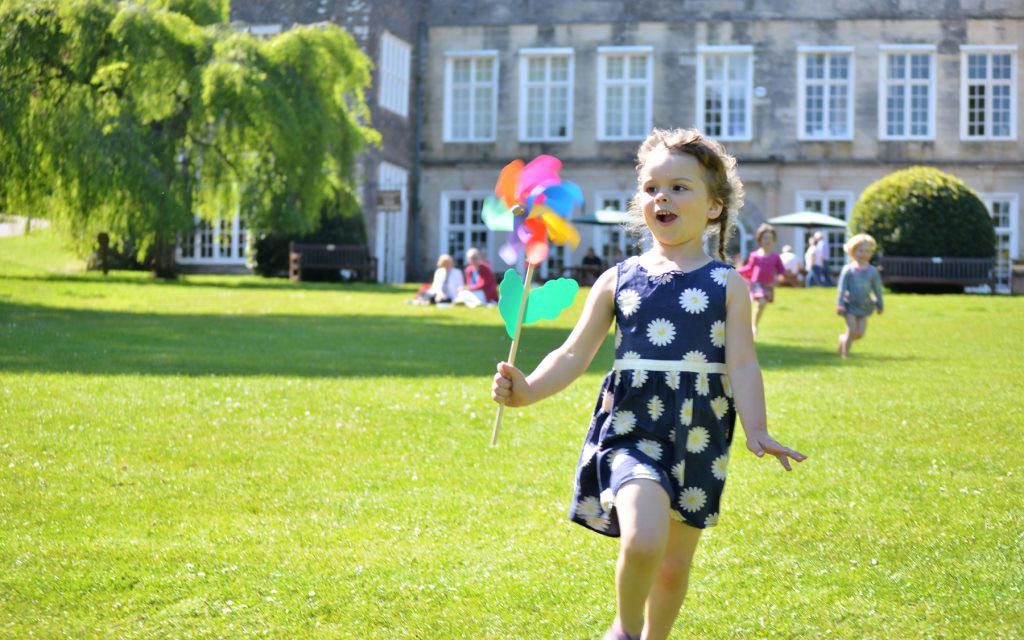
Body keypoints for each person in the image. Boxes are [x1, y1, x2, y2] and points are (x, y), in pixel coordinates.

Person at [492, 128, 806, 640]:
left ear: (713, 207)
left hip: (700, 435)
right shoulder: (618, 279)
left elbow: (743, 364)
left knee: (672, 567)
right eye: (652, 187)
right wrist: (527, 389)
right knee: (641, 540)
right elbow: (573, 353)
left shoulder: (728, 284)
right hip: (633, 427)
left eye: (680, 187)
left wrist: (758, 428)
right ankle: (625, 630)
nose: (663, 196)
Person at [836, 233, 884, 358]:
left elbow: (877, 289)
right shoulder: (848, 270)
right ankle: (845, 356)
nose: (864, 254)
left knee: (860, 333)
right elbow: (842, 288)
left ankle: (843, 339)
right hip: (849, 305)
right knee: (851, 330)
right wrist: (840, 303)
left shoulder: (872, 271)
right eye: (861, 251)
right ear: (853, 252)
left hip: (864, 306)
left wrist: (880, 304)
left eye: (867, 251)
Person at [736, 224, 786, 337]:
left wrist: (780, 278)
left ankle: (754, 325)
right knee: (760, 303)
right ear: (760, 240)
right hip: (756, 285)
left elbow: (781, 270)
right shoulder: (755, 255)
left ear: (773, 240)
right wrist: (736, 271)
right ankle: (752, 327)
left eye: (770, 238)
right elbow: (749, 268)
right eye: (765, 238)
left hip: (768, 286)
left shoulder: (775, 257)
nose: (767, 240)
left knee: (760, 306)